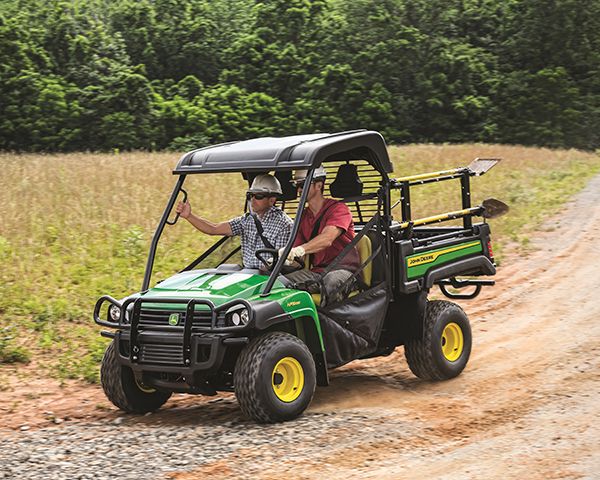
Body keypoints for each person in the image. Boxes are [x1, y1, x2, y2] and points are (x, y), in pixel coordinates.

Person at [176, 174, 293, 270]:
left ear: (272, 200)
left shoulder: (284, 224)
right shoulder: (247, 220)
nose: (253, 200)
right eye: (251, 195)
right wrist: (189, 216)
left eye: (258, 196)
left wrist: (263, 271)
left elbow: (280, 263)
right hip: (247, 276)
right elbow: (214, 229)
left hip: (270, 280)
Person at [281, 166, 360, 306]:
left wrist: (300, 249)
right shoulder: (302, 216)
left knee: (331, 282)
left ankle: (334, 324)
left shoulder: (339, 209)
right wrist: (283, 258)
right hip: (317, 273)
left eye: (302, 185)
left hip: (344, 270)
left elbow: (327, 239)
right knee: (278, 283)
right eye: (297, 185)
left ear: (319, 185)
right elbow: (297, 255)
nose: (299, 190)